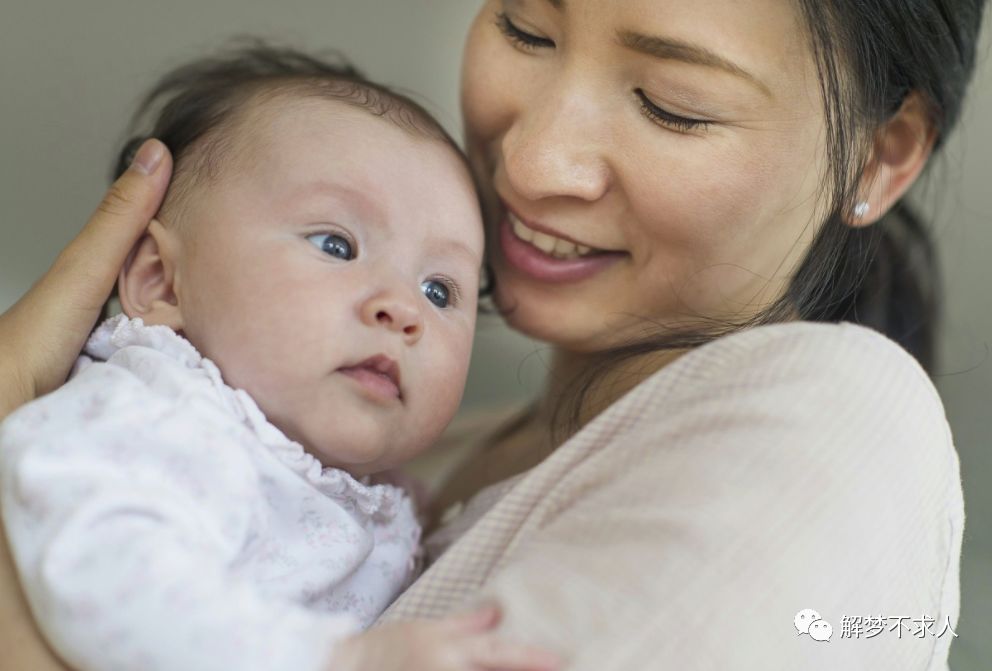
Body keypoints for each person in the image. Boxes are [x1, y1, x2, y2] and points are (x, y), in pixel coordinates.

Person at [1, 0, 986, 668]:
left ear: (881, 154)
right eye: (523, 23)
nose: (531, 158)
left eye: (670, 105)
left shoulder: (832, 417)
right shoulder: (405, 458)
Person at [0, 46, 561, 671]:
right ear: (162, 282)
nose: (403, 309)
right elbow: (106, 572)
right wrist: (342, 660)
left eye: (439, 290)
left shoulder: (386, 497)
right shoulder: (156, 416)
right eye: (336, 244)